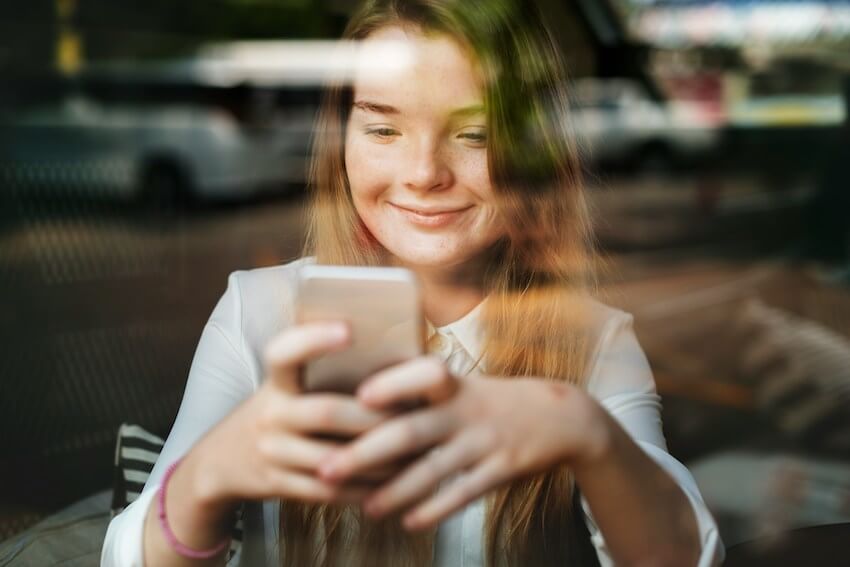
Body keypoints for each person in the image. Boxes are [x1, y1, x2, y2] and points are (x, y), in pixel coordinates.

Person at [102, 1, 724, 565]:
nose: (425, 173)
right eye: (383, 130)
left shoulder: (594, 340)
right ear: (341, 141)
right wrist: (209, 475)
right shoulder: (257, 311)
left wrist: (589, 436)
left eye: (474, 133)